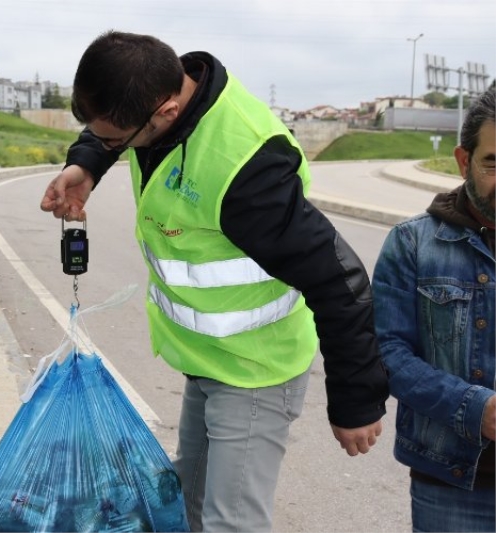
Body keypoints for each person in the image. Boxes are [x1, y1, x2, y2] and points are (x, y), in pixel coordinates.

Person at [39, 31, 388, 532]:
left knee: (232, 522)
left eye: (115, 140)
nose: (110, 146)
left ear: (167, 112)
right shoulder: (157, 85)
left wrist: (357, 400)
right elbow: (109, 127)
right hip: (206, 359)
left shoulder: (249, 172)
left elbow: (340, 281)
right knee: (186, 503)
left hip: (253, 369)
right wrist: (87, 164)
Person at [371, 87, 495, 533]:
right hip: (452, 484)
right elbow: (389, 353)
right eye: (493, 163)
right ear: (464, 162)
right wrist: (477, 408)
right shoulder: (411, 244)